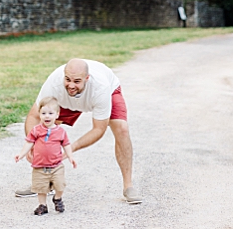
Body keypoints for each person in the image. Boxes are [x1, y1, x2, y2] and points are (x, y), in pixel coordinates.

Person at [15, 58, 142, 204]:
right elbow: (34, 116)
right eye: (67, 79)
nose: (70, 85)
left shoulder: (101, 87)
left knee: (122, 128)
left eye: (76, 81)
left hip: (106, 91)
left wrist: (70, 148)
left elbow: (98, 129)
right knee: (45, 126)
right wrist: (33, 143)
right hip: (67, 102)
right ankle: (42, 183)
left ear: (87, 79)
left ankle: (128, 187)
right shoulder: (55, 83)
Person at [14, 96, 76, 215]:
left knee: (60, 185)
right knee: (40, 188)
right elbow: (29, 142)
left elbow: (66, 144)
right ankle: (42, 205)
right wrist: (21, 154)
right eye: (43, 113)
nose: (47, 116)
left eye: (50, 113)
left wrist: (70, 156)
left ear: (57, 115)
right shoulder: (36, 130)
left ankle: (57, 198)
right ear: (40, 115)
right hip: (39, 166)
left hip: (56, 165)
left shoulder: (60, 132)